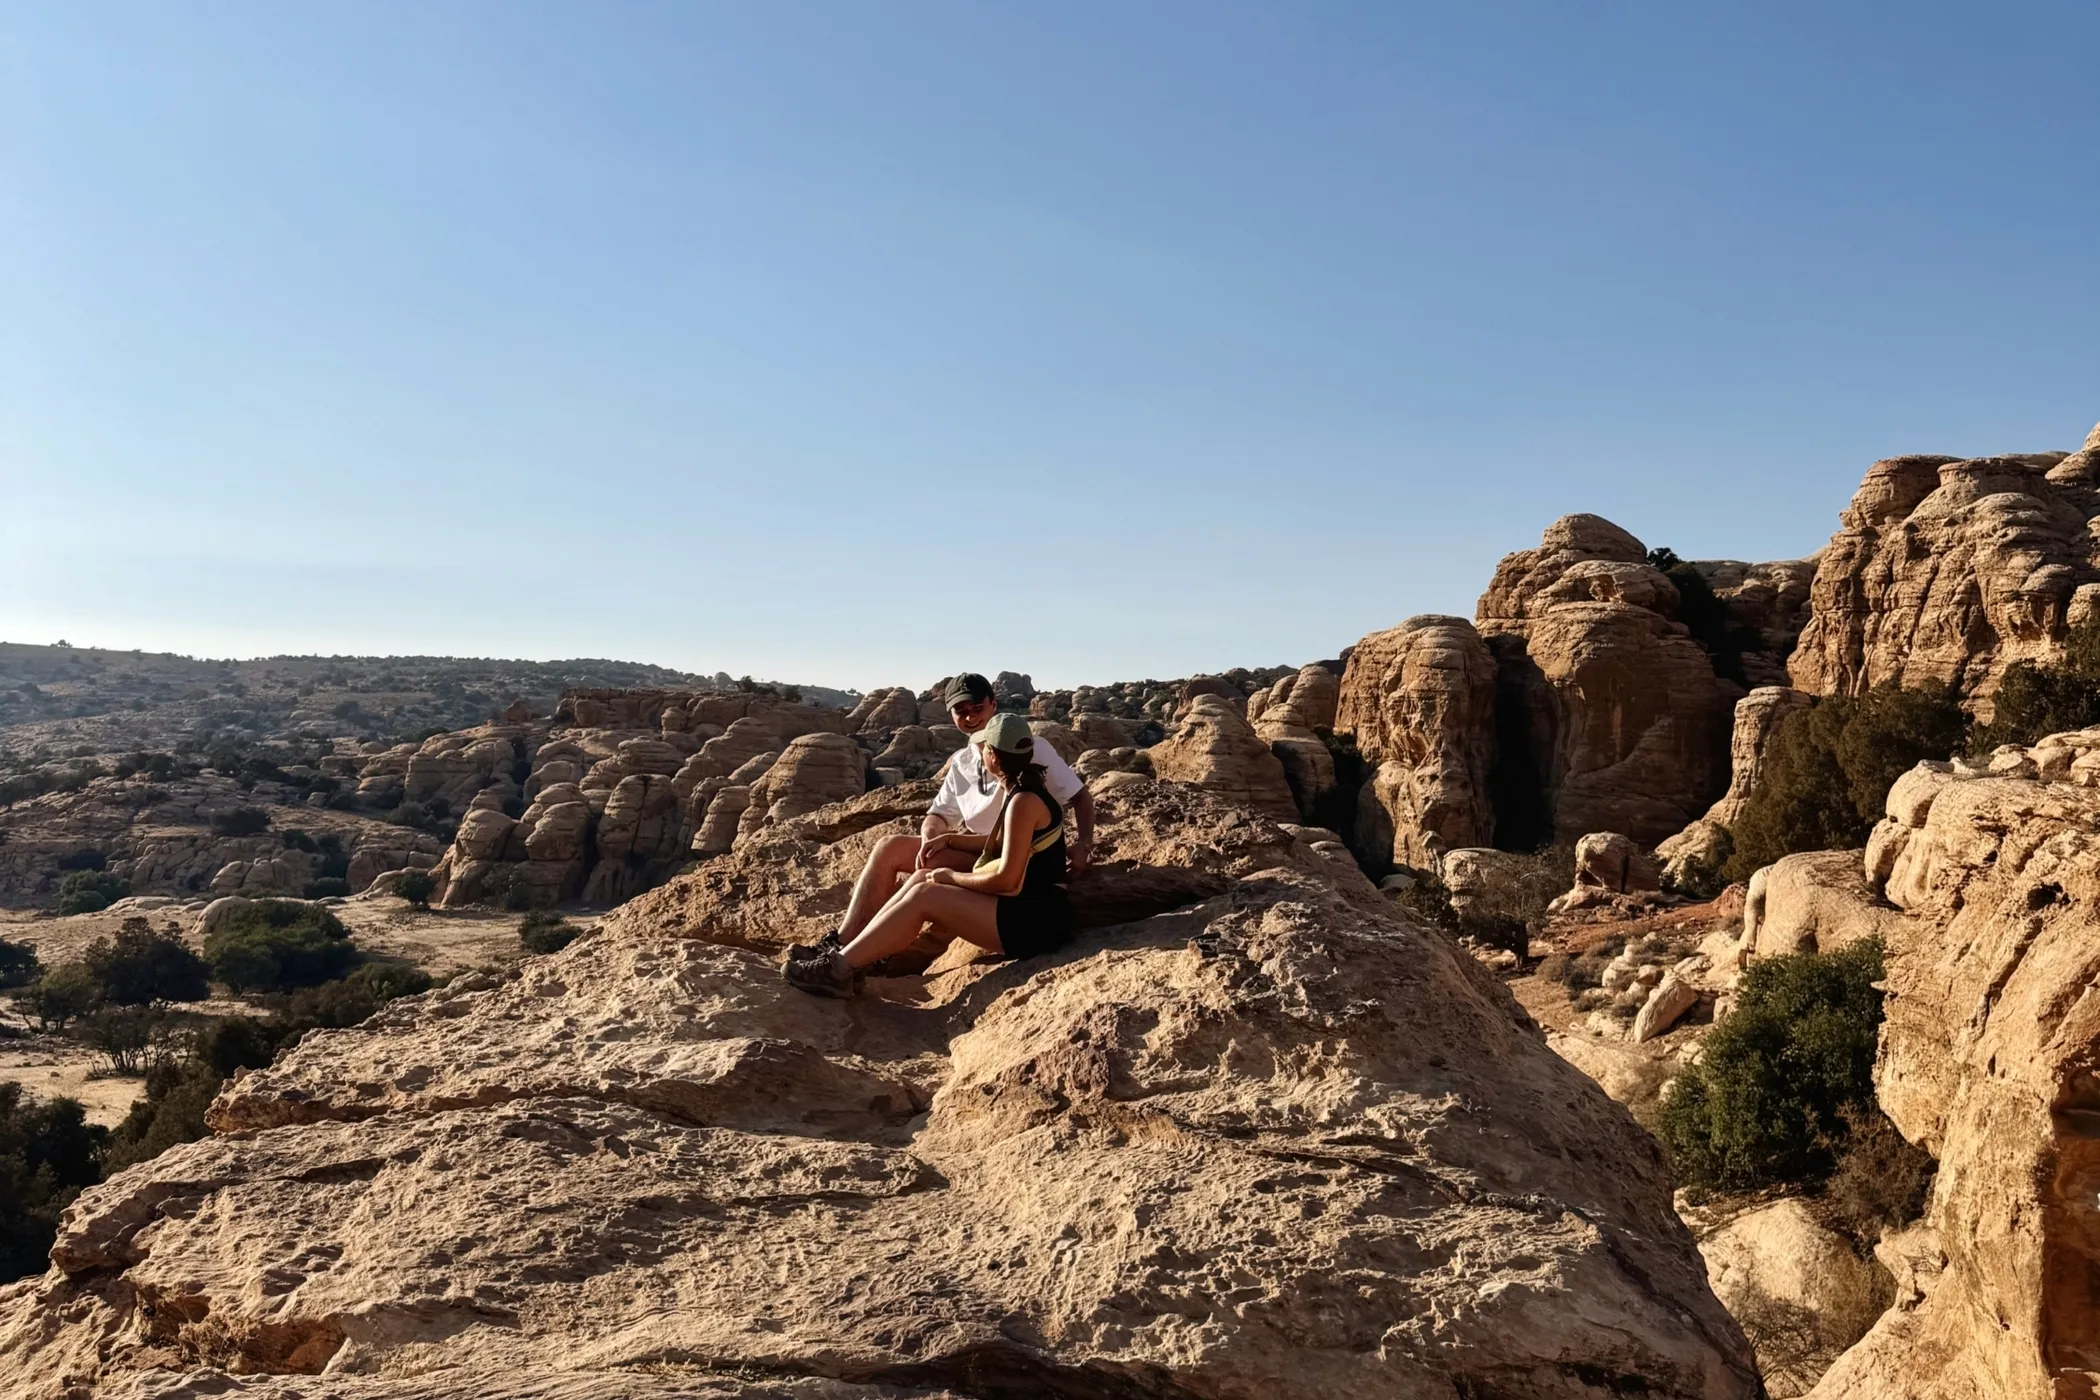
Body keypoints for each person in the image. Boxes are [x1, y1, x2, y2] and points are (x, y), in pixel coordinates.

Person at [791, 672, 1093, 964]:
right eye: (961, 711)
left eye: (977, 708)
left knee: (926, 883)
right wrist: (933, 838)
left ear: (993, 705)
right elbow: (938, 814)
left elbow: (1080, 796)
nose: (971, 717)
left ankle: (860, 957)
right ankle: (845, 945)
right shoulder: (963, 762)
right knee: (890, 848)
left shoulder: (1026, 750)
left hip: (1016, 865)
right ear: (950, 714)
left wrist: (1084, 844)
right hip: (985, 852)